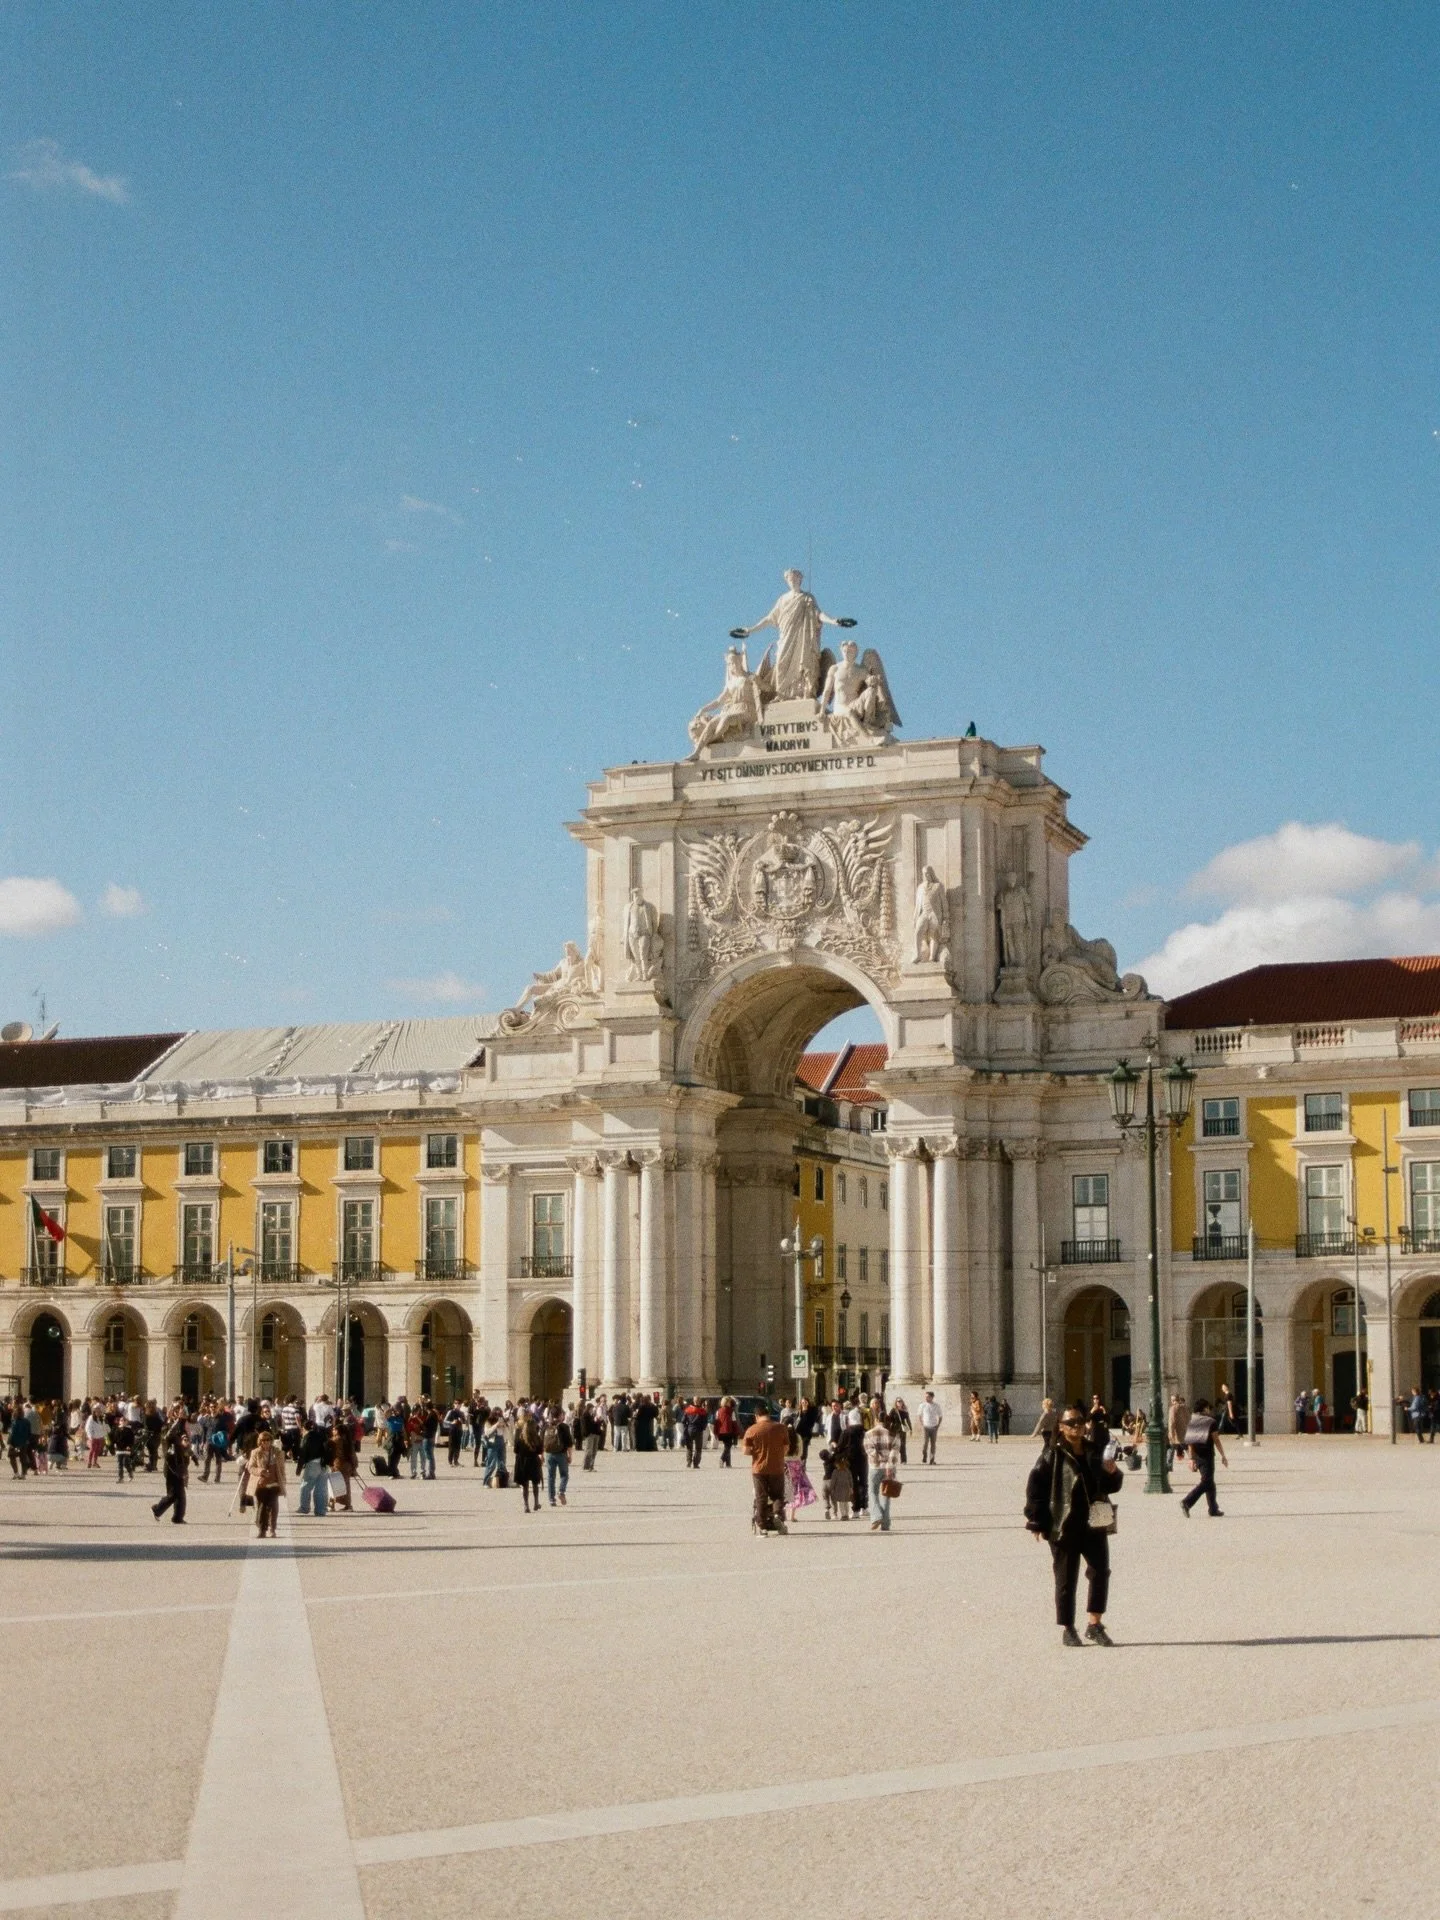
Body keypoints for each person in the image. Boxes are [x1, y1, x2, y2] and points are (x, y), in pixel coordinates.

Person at [1024, 1402, 1124, 1647]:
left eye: (1080, 1421)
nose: (1077, 1426)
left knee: (1100, 1572)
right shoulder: (1051, 1454)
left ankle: (1094, 1624)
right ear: (1060, 1426)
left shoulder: (1094, 1450)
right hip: (1064, 1523)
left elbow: (1110, 1486)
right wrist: (1036, 1521)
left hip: (1093, 1522)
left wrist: (1113, 1472)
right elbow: (1035, 1488)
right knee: (1066, 1578)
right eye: (1070, 1423)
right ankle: (1068, 1628)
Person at [742, 1402, 793, 1534]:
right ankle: (777, 1515)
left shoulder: (752, 1430)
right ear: (768, 1415)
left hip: (759, 1468)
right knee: (778, 1495)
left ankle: (762, 1526)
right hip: (777, 1467)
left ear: (756, 1416)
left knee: (761, 1497)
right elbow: (786, 1448)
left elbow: (745, 1451)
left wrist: (756, 1452)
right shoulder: (781, 1428)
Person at [1180, 1397, 1228, 1518]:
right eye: (1208, 1408)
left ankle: (1213, 1508)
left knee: (1210, 1482)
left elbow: (1190, 1442)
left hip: (1197, 1456)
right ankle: (1187, 1502)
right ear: (1205, 1408)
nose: (1209, 1410)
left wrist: (1191, 1459)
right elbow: (1216, 1439)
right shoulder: (1211, 1422)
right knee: (1206, 1482)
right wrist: (1223, 1455)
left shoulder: (1192, 1421)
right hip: (1207, 1456)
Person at [151, 1404, 191, 1525]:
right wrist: (179, 1421)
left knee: (180, 1494)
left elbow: (185, 1442)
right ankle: (157, 1509)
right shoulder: (167, 1427)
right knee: (174, 1493)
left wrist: (189, 1452)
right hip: (171, 1465)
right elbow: (168, 1437)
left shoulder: (181, 1428)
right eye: (179, 1412)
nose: (182, 1415)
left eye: (184, 1412)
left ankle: (177, 1517)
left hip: (180, 1463)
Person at [865, 1411, 901, 1533]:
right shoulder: (893, 1433)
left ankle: (876, 1516)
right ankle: (885, 1524)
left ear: (876, 1420)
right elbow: (895, 1452)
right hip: (889, 1468)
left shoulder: (869, 1434)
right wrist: (889, 1465)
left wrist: (878, 1459)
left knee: (872, 1492)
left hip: (874, 1467)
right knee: (886, 1495)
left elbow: (869, 1450)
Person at [248, 1430, 285, 1539]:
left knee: (273, 1507)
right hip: (261, 1484)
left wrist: (283, 1481)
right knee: (262, 1507)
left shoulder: (277, 1452)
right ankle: (262, 1530)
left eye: (268, 1440)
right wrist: (260, 1471)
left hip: (274, 1483)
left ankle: (272, 1529)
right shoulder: (255, 1452)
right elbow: (251, 1467)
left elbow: (282, 1468)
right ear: (259, 1441)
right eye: (263, 1440)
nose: (265, 1442)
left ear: (271, 1440)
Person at [296, 1419, 331, 1517]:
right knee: (321, 1488)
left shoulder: (307, 1437)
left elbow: (303, 1453)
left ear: (304, 1428)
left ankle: (304, 1507)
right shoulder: (322, 1435)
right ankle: (321, 1510)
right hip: (324, 1464)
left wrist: (299, 1468)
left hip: (312, 1463)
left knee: (306, 1486)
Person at [513, 1408, 543, 1514]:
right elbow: (540, 1451)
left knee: (525, 1485)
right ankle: (536, 1502)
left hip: (522, 1462)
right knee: (535, 1484)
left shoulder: (520, 1438)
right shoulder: (537, 1439)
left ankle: (526, 1505)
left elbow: (515, 1450)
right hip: (533, 1462)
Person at [543, 1405, 573, 1507]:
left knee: (550, 1477)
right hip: (561, 1454)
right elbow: (569, 1444)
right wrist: (570, 1456)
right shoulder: (564, 1427)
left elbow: (541, 1442)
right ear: (560, 1415)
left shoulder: (546, 1426)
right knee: (564, 1475)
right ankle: (561, 1491)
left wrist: (541, 1455)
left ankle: (551, 1499)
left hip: (549, 1454)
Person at [712, 1398, 739, 1468]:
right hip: (729, 1431)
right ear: (727, 1403)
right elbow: (734, 1422)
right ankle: (722, 1458)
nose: (730, 1403)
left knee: (727, 1446)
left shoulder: (718, 1411)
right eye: (729, 1402)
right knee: (728, 1446)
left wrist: (715, 1432)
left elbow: (716, 1422)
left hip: (721, 1431)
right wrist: (736, 1431)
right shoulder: (731, 1411)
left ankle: (728, 1463)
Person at [1167, 1392, 1190, 1469]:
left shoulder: (1172, 1408)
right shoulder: (1185, 1407)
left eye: (1171, 1400)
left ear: (1173, 1400)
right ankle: (1194, 1463)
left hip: (1176, 1433)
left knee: (1171, 1449)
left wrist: (1171, 1433)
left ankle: (1169, 1465)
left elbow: (1171, 1422)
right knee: (1187, 1448)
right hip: (1185, 1432)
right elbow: (1189, 1419)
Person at [918, 1389, 942, 1463]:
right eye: (925, 1397)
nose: (926, 1398)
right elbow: (919, 1415)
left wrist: (938, 1425)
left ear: (932, 1397)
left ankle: (932, 1459)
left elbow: (940, 1416)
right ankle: (924, 1455)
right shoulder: (922, 1405)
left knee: (933, 1444)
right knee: (925, 1443)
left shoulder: (936, 1405)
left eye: (928, 1397)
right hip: (926, 1426)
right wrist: (922, 1424)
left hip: (934, 1426)